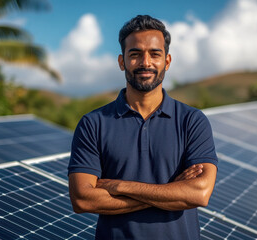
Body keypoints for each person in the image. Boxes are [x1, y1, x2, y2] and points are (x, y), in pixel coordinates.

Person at [68, 15, 218, 240]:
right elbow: (82, 199)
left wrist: (120, 186)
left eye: (154, 54)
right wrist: (170, 193)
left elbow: (200, 193)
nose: (145, 63)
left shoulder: (192, 121)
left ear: (167, 61)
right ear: (122, 62)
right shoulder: (93, 123)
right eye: (135, 54)